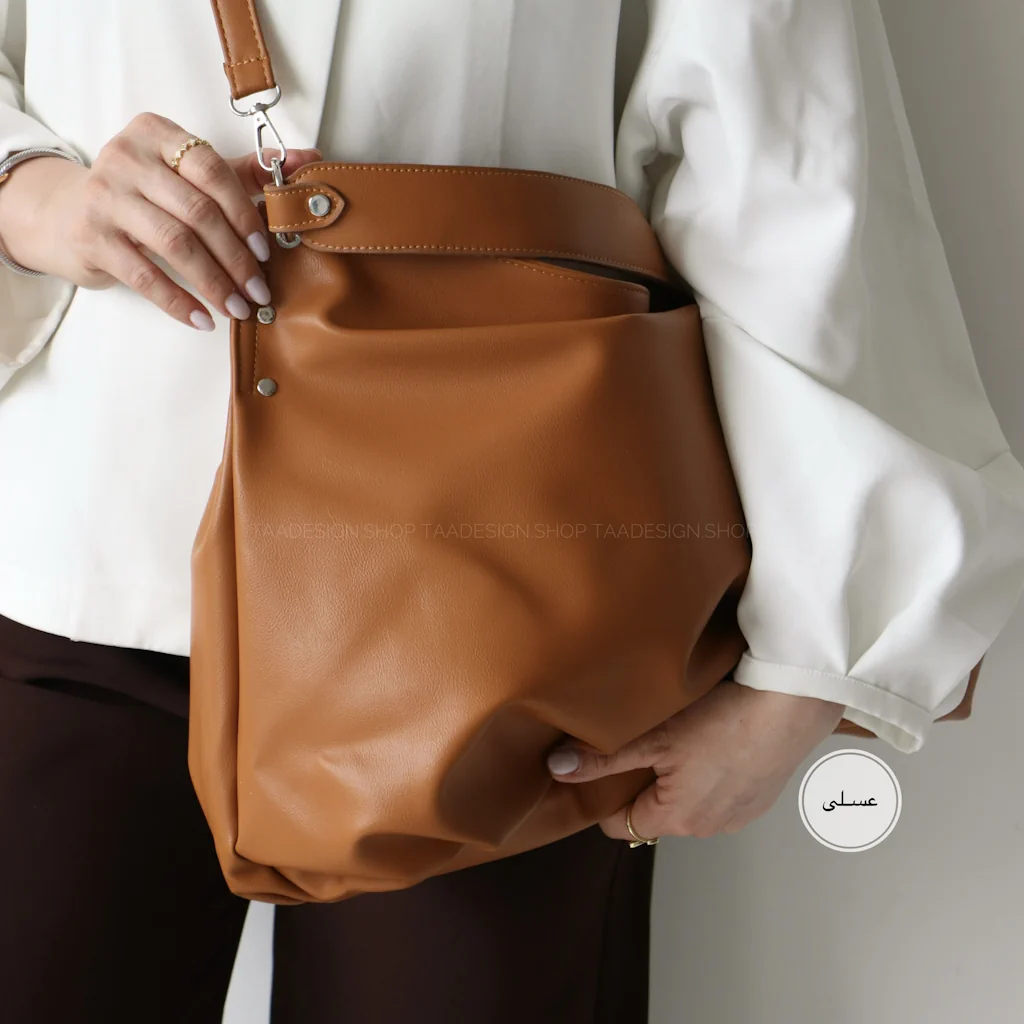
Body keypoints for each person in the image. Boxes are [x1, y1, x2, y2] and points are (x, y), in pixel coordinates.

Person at [1, 1, 1021, 1021]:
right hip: (71, 563)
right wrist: (34, 196)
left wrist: (808, 668)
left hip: (508, 632)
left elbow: (784, 156)